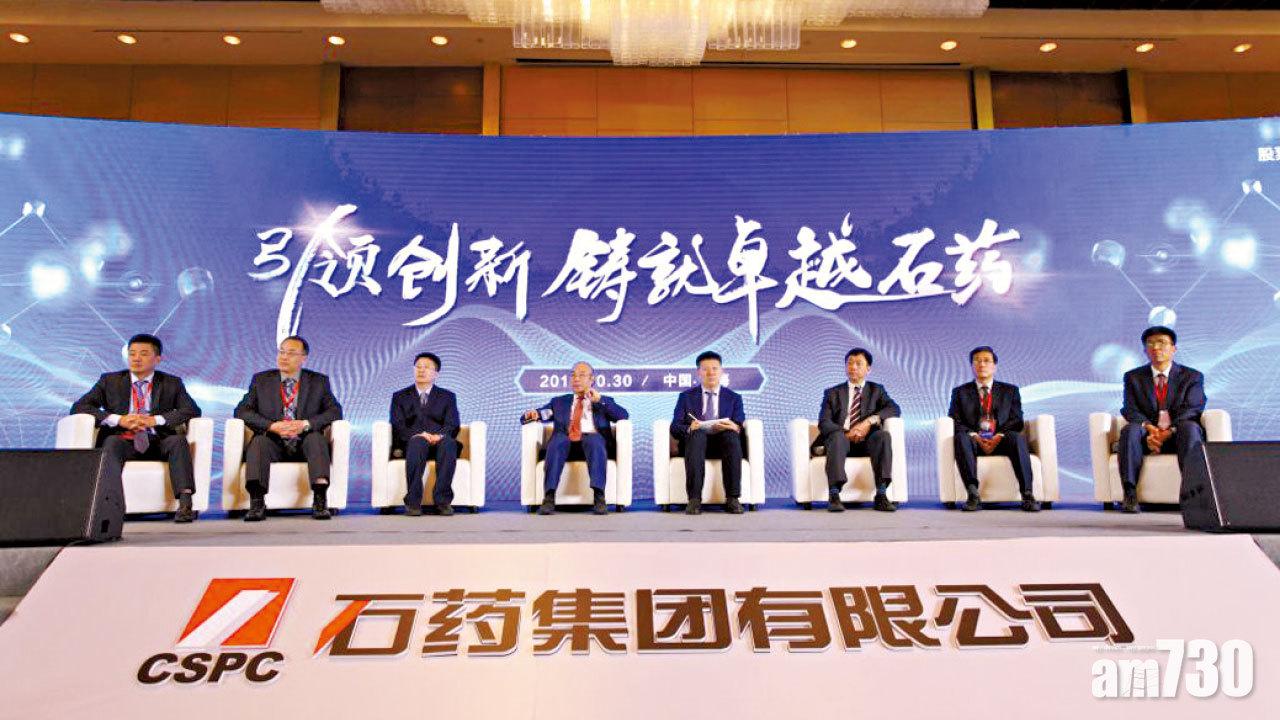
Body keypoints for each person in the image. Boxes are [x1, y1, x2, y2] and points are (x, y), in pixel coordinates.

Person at [71, 333, 201, 523]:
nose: (136, 358)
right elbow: (80, 407)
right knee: (112, 442)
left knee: (178, 441)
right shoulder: (109, 381)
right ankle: (110, 506)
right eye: (132, 354)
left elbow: (191, 410)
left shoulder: (171, 383)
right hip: (124, 440)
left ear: (157, 359)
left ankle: (185, 504)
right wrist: (118, 420)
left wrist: (155, 420)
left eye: (143, 354)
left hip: (157, 441)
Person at [234, 335, 343, 521]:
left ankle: (320, 500)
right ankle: (257, 502)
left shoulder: (318, 381)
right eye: (281, 352)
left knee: (316, 439)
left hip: (304, 442)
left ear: (303, 358)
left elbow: (335, 411)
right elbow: (242, 411)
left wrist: (305, 424)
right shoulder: (261, 380)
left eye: (291, 353)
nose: (284, 357)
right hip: (273, 442)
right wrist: (271, 426)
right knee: (259, 442)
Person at [1116, 325, 1206, 514]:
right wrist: (1150, 428)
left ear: (1174, 348)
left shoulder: (1192, 376)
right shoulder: (1133, 377)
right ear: (1145, 350)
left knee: (1190, 428)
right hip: (1147, 437)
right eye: (1150, 343)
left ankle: (1193, 495)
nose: (1156, 347)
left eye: (1162, 342)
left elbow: (1193, 408)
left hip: (1178, 436)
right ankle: (1130, 494)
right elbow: (1130, 408)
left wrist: (1168, 431)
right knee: (1130, 430)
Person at [521, 361, 628, 515]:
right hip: (565, 445)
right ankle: (549, 497)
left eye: (581, 375)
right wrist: (532, 415)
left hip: (592, 446)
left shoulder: (603, 400)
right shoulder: (559, 402)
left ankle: (599, 497)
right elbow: (539, 414)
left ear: (592, 380)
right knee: (558, 440)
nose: (576, 379)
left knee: (594, 439)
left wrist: (600, 400)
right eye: (573, 375)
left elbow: (623, 415)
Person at [947, 346, 1040, 512]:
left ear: (994, 366)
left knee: (1017, 438)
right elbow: (955, 420)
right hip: (974, 442)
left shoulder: (1010, 391)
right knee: (961, 437)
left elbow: (1017, 420)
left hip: (1001, 441)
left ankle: (1027, 494)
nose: (982, 364)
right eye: (977, 361)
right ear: (972, 366)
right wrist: (974, 435)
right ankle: (973, 494)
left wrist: (999, 435)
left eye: (986, 361)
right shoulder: (960, 392)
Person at [814, 348, 901, 512]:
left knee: (883, 436)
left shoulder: (877, 390)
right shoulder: (832, 393)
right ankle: (834, 494)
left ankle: (881, 494)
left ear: (868, 369)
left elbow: (894, 409)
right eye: (850, 363)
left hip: (868, 441)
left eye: (858, 364)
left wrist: (869, 422)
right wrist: (847, 433)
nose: (853, 367)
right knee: (836, 437)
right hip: (842, 441)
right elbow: (824, 422)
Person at [670, 351, 747, 515]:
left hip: (724, 445)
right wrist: (690, 428)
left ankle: (733, 498)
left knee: (731, 436)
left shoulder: (734, 397)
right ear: (698, 372)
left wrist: (734, 426)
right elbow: (675, 427)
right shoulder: (686, 397)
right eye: (705, 369)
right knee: (697, 435)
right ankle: (694, 499)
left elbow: (739, 423)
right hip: (695, 445)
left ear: (721, 371)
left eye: (714, 368)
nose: (710, 373)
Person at [389, 352, 460, 516]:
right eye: (418, 367)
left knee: (449, 443)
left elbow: (452, 424)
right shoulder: (400, 396)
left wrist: (438, 436)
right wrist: (420, 434)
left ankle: (443, 501)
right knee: (417, 442)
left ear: (436, 374)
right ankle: (413, 502)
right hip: (412, 442)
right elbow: (397, 424)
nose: (421, 370)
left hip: (439, 442)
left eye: (426, 367)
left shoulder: (448, 397)